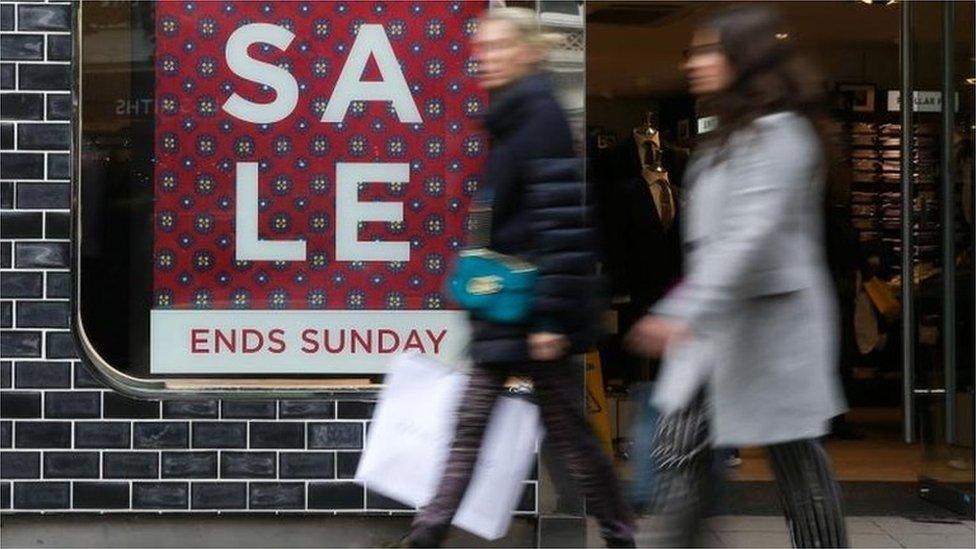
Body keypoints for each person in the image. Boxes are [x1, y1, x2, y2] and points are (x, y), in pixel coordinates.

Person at [405, 8, 635, 548]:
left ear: (528, 53)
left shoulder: (539, 118)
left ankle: (620, 532)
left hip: (532, 310)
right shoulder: (513, 117)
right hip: (507, 306)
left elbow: (559, 221)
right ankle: (427, 533)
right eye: (481, 48)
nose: (484, 57)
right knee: (477, 425)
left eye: (498, 47)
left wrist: (551, 317)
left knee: (565, 438)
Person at [626, 5, 849, 547]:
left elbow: (749, 237)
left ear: (741, 59)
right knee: (682, 451)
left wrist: (682, 313)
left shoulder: (779, 136)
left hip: (768, 332)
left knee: (791, 458)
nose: (693, 63)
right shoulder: (733, 135)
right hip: (724, 328)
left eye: (706, 50)